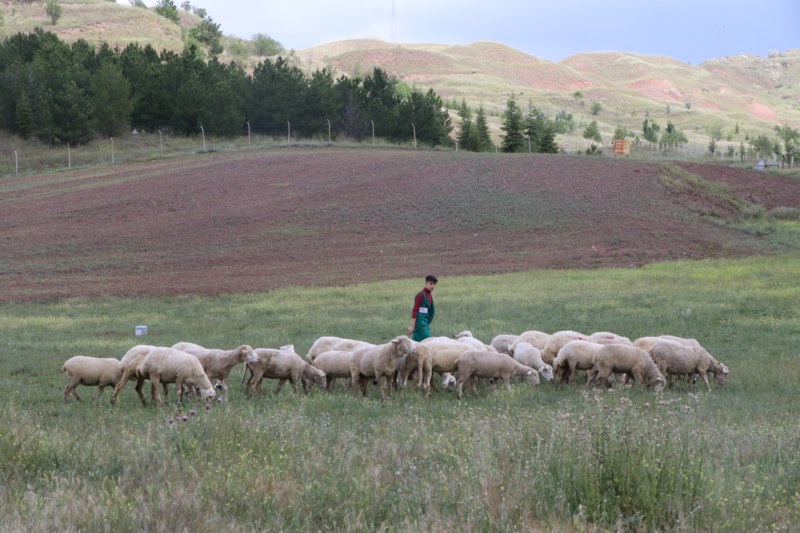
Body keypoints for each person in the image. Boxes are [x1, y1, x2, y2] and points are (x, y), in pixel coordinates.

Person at [408, 275, 437, 341]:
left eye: (434, 284)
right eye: (431, 283)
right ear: (426, 283)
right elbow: (415, 310)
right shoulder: (421, 295)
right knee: (429, 340)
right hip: (420, 324)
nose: (433, 286)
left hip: (425, 323)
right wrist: (412, 326)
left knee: (417, 342)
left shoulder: (429, 295)